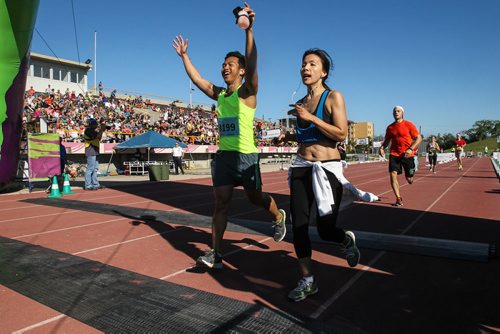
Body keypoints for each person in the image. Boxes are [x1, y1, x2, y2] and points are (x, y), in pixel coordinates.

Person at [172, 3, 286, 269]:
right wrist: (184, 57)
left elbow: (253, 59)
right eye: (223, 64)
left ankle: (278, 215)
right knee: (220, 205)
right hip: (224, 157)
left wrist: (249, 31)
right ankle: (216, 254)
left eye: (231, 64)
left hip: (246, 156)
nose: (225, 68)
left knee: (255, 198)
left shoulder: (247, 92)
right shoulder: (220, 95)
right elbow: (199, 80)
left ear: (242, 70)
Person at [276, 48, 373, 302]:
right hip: (300, 166)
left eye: (312, 64)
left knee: (325, 229)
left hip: (327, 168)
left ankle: (344, 238)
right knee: (298, 227)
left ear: (324, 71)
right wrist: (290, 135)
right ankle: (308, 281)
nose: (305, 68)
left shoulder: (333, 97)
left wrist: (310, 118)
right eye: (303, 64)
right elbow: (308, 137)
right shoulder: (301, 105)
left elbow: (340, 134)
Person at [379, 106, 422, 207]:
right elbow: (387, 141)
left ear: (402, 113)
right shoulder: (390, 128)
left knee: (409, 179)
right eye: (394, 111)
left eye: (398, 111)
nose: (396, 113)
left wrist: (410, 149)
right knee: (392, 174)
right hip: (394, 154)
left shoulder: (409, 124)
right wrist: (381, 148)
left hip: (407, 154)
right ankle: (398, 198)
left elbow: (419, 138)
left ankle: (411, 172)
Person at [83, 118, 106, 190]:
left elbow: (99, 134)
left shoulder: (92, 130)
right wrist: (101, 128)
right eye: (95, 124)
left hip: (95, 150)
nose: (96, 126)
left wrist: (103, 126)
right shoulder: (88, 130)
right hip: (90, 150)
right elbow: (98, 137)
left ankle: (95, 184)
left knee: (95, 169)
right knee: (90, 169)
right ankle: (88, 185)